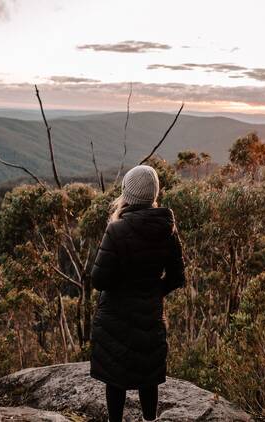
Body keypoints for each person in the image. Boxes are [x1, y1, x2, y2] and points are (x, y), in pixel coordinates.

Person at [90, 165, 186, 422]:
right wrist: (152, 292)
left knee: (115, 378)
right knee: (148, 375)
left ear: (127, 194)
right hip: (150, 317)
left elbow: (99, 280)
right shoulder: (168, 228)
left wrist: (124, 290)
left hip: (115, 319)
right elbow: (178, 278)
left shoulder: (117, 230)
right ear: (153, 195)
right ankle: (149, 420)